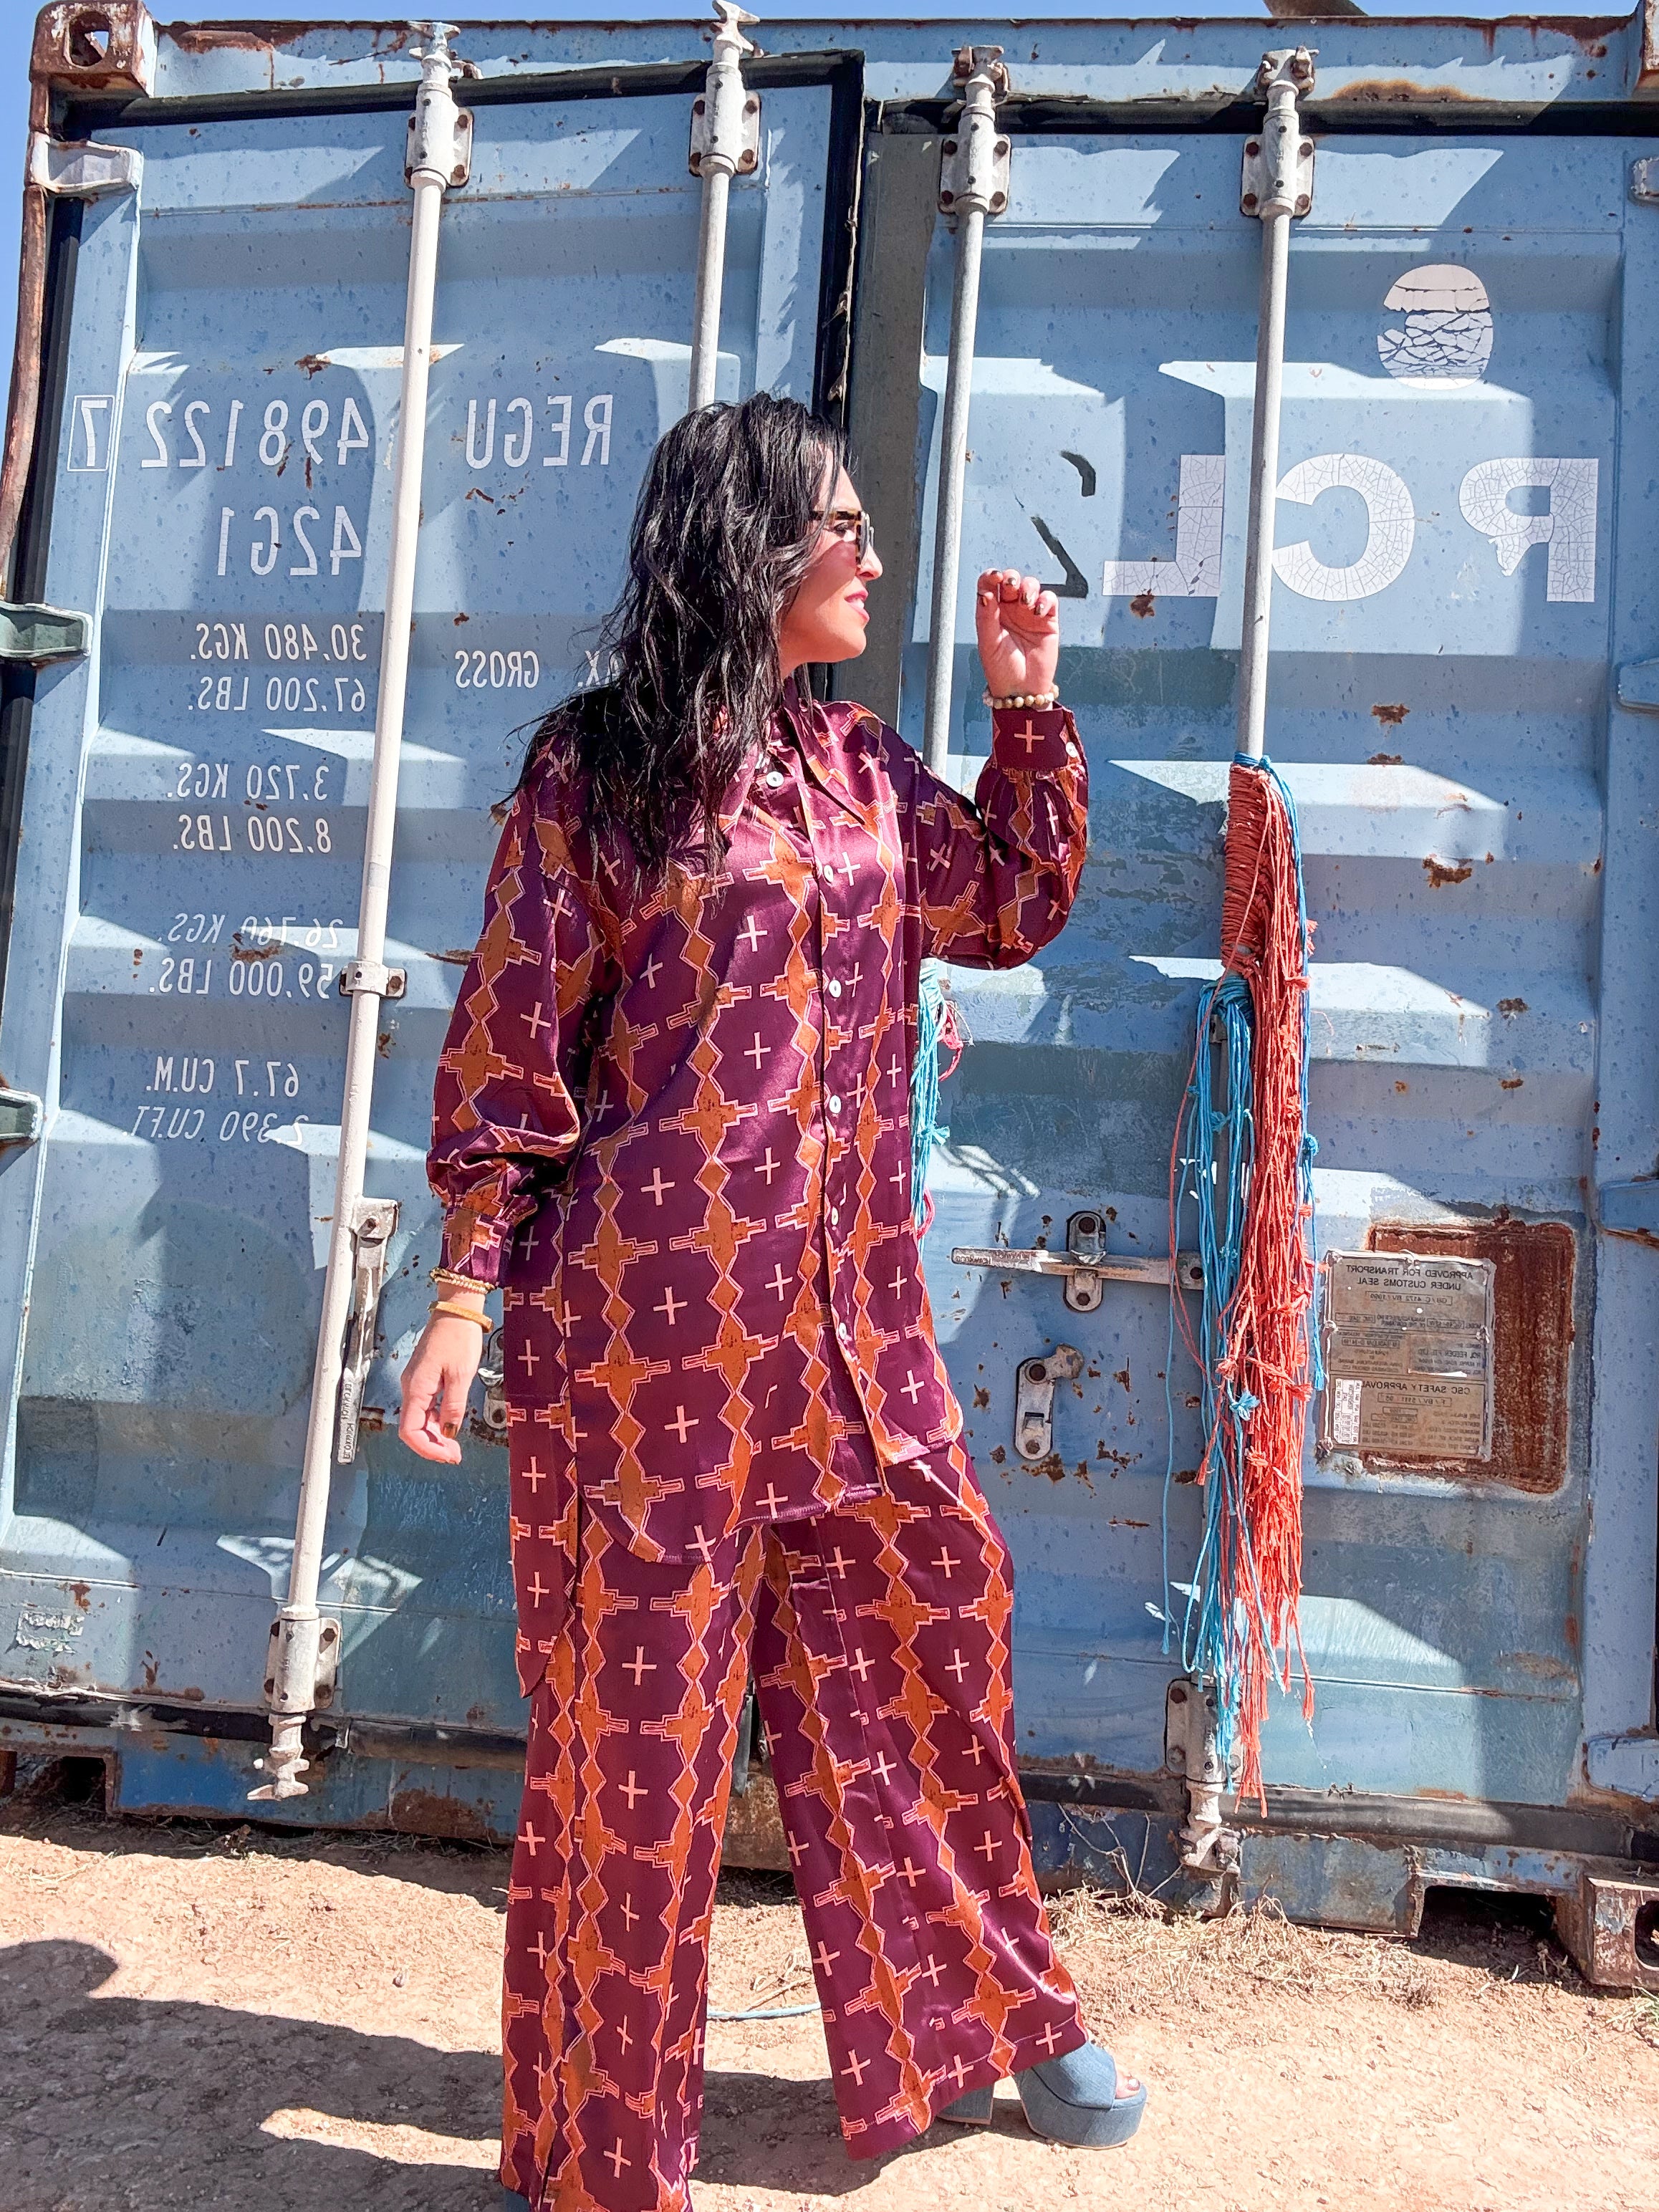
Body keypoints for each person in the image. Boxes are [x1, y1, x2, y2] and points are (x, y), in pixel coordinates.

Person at [399, 392, 1145, 2211]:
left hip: (857, 1342)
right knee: (636, 1756)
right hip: (642, 1358)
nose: (874, 557)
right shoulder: (597, 773)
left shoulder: (868, 768)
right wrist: (462, 1292)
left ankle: (993, 2015)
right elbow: (512, 1041)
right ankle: (603, 2148)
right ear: (750, 548)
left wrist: (1027, 706)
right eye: (843, 526)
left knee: (939, 1639)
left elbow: (1015, 901)